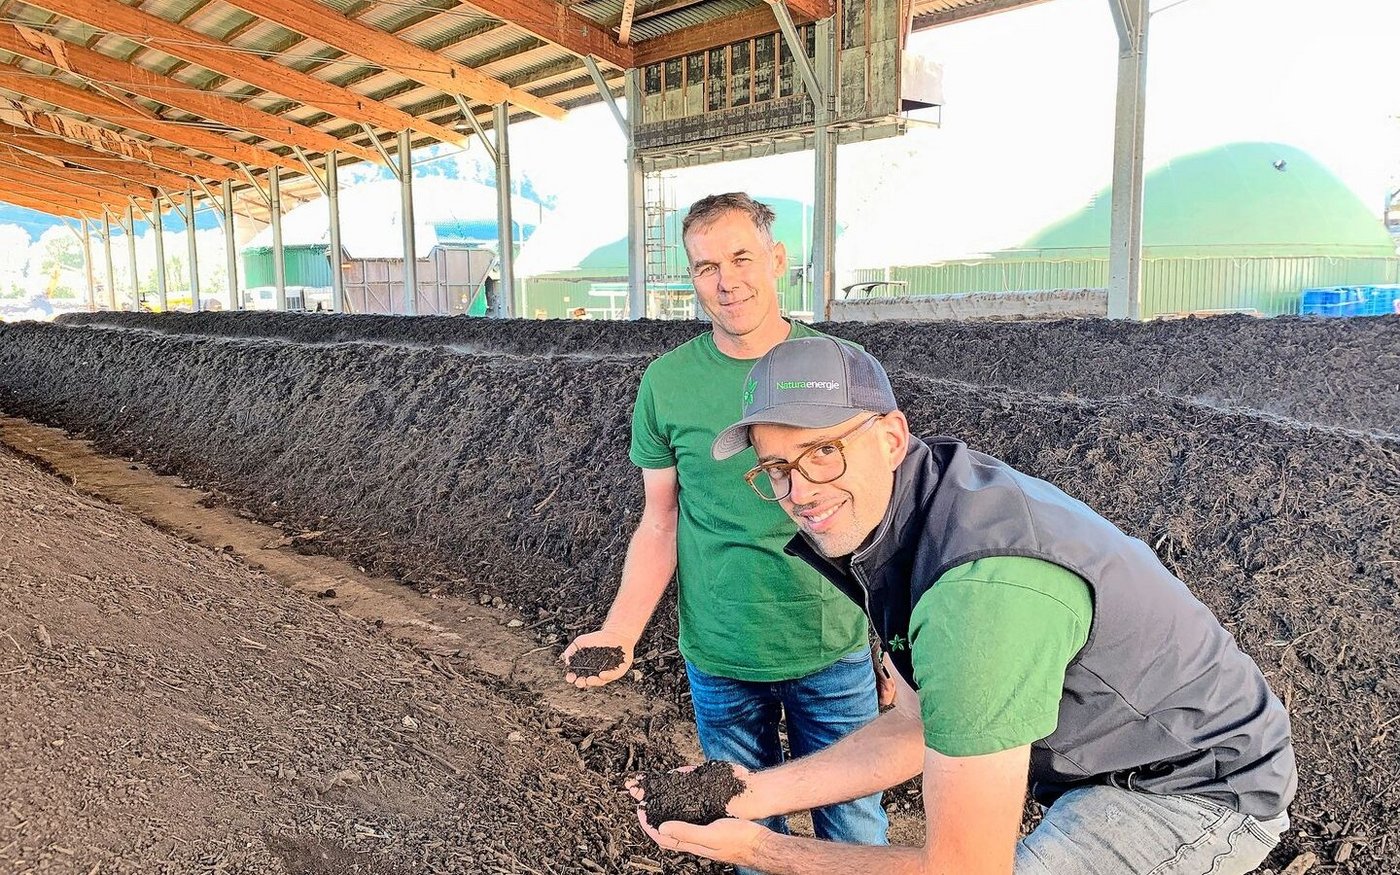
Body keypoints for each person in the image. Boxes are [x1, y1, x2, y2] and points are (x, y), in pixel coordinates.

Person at [633, 336, 1298, 875]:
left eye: (823, 452)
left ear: (891, 437)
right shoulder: (904, 517)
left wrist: (760, 848)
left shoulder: (975, 594)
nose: (799, 489)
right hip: (1110, 762)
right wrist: (753, 792)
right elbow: (918, 724)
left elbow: (963, 868)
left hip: (1197, 789)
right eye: (776, 467)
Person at [563, 194, 891, 865]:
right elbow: (660, 520)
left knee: (854, 825)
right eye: (706, 265)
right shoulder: (668, 383)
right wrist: (621, 631)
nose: (726, 279)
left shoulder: (841, 366)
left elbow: (885, 513)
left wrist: (900, 642)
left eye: (742, 257)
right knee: (743, 836)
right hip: (719, 658)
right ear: (692, 277)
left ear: (776, 260)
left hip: (831, 646)